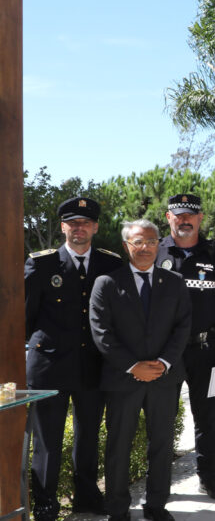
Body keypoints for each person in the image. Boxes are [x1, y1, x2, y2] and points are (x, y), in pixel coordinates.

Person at [24, 197, 121, 520]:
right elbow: (25, 318)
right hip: (49, 365)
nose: (79, 228)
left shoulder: (111, 265)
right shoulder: (41, 264)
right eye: (72, 223)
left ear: (95, 227)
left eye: (85, 223)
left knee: (89, 435)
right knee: (47, 439)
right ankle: (46, 503)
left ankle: (87, 498)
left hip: (93, 364)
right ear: (63, 226)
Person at [90, 219, 191, 521]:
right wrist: (134, 367)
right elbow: (101, 333)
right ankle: (118, 510)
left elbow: (183, 326)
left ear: (159, 244)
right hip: (123, 380)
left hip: (163, 377)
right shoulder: (107, 283)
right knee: (118, 446)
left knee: (161, 444)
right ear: (126, 246)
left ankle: (156, 506)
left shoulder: (174, 282)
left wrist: (163, 363)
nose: (144, 247)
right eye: (137, 241)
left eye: (150, 241)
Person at [155, 193, 215, 499]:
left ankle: (209, 475)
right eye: (178, 215)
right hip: (164, 352)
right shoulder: (154, 250)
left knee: (208, 417)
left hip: (207, 348)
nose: (184, 221)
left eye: (190, 216)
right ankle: (159, 483)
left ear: (200, 218)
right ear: (168, 218)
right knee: (161, 417)